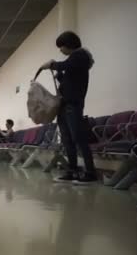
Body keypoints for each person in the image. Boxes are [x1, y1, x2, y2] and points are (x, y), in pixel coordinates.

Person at [39, 31, 97, 185]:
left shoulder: (80, 55)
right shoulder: (74, 59)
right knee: (67, 141)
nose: (60, 50)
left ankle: (90, 173)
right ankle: (72, 171)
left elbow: (67, 65)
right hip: (65, 105)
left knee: (78, 139)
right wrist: (60, 75)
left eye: (61, 46)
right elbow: (69, 76)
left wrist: (52, 65)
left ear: (69, 44)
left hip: (73, 105)